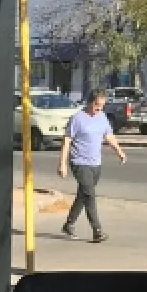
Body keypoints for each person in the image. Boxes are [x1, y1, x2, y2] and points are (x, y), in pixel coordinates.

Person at [58, 89, 127, 243]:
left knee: (83, 194)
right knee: (89, 195)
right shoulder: (77, 118)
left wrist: (119, 151)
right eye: (97, 105)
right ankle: (97, 231)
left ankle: (69, 224)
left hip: (95, 163)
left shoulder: (102, 117)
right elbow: (67, 140)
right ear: (89, 102)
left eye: (102, 105)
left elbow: (109, 136)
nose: (99, 108)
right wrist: (62, 163)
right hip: (79, 162)